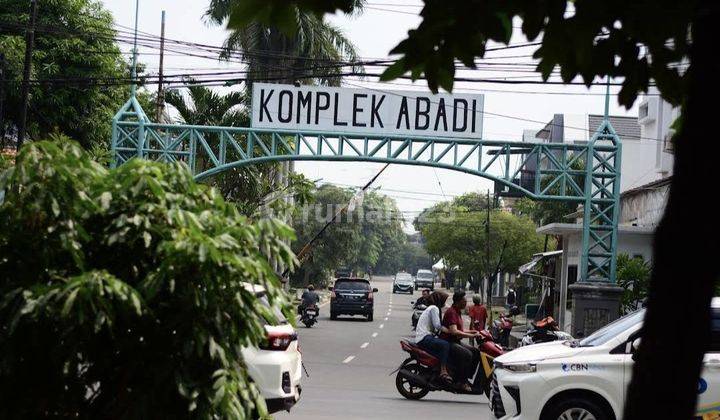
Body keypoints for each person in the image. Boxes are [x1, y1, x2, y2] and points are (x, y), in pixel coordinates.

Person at [441, 291, 481, 391]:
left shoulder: (457, 311)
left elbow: (460, 330)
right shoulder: (452, 312)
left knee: (476, 352)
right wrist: (470, 335)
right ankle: (461, 382)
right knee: (467, 354)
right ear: (458, 301)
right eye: (464, 301)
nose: (466, 303)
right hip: (449, 342)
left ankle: (466, 378)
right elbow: (454, 331)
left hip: (455, 341)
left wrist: (473, 332)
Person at [414, 291, 453, 384]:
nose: (444, 303)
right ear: (439, 300)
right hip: (424, 337)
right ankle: (443, 370)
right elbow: (437, 325)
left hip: (425, 337)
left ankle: (436, 367)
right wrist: (449, 331)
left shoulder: (432, 308)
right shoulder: (434, 308)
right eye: (443, 300)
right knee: (445, 345)